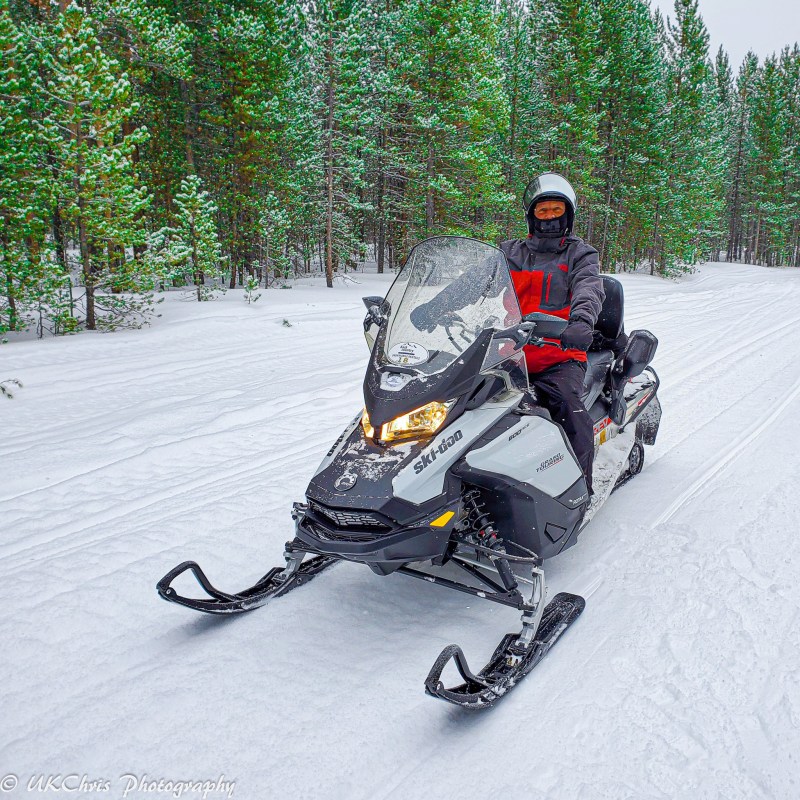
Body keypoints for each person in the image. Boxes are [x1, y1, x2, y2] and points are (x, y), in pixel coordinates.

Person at [499, 173, 605, 493]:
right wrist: (436, 308)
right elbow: (475, 282)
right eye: (542, 211)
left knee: (568, 409)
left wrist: (581, 322)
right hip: (508, 352)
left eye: (555, 210)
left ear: (568, 214)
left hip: (558, 353)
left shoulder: (579, 254)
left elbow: (589, 288)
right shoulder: (508, 252)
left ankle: (578, 491)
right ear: (531, 215)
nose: (549, 217)